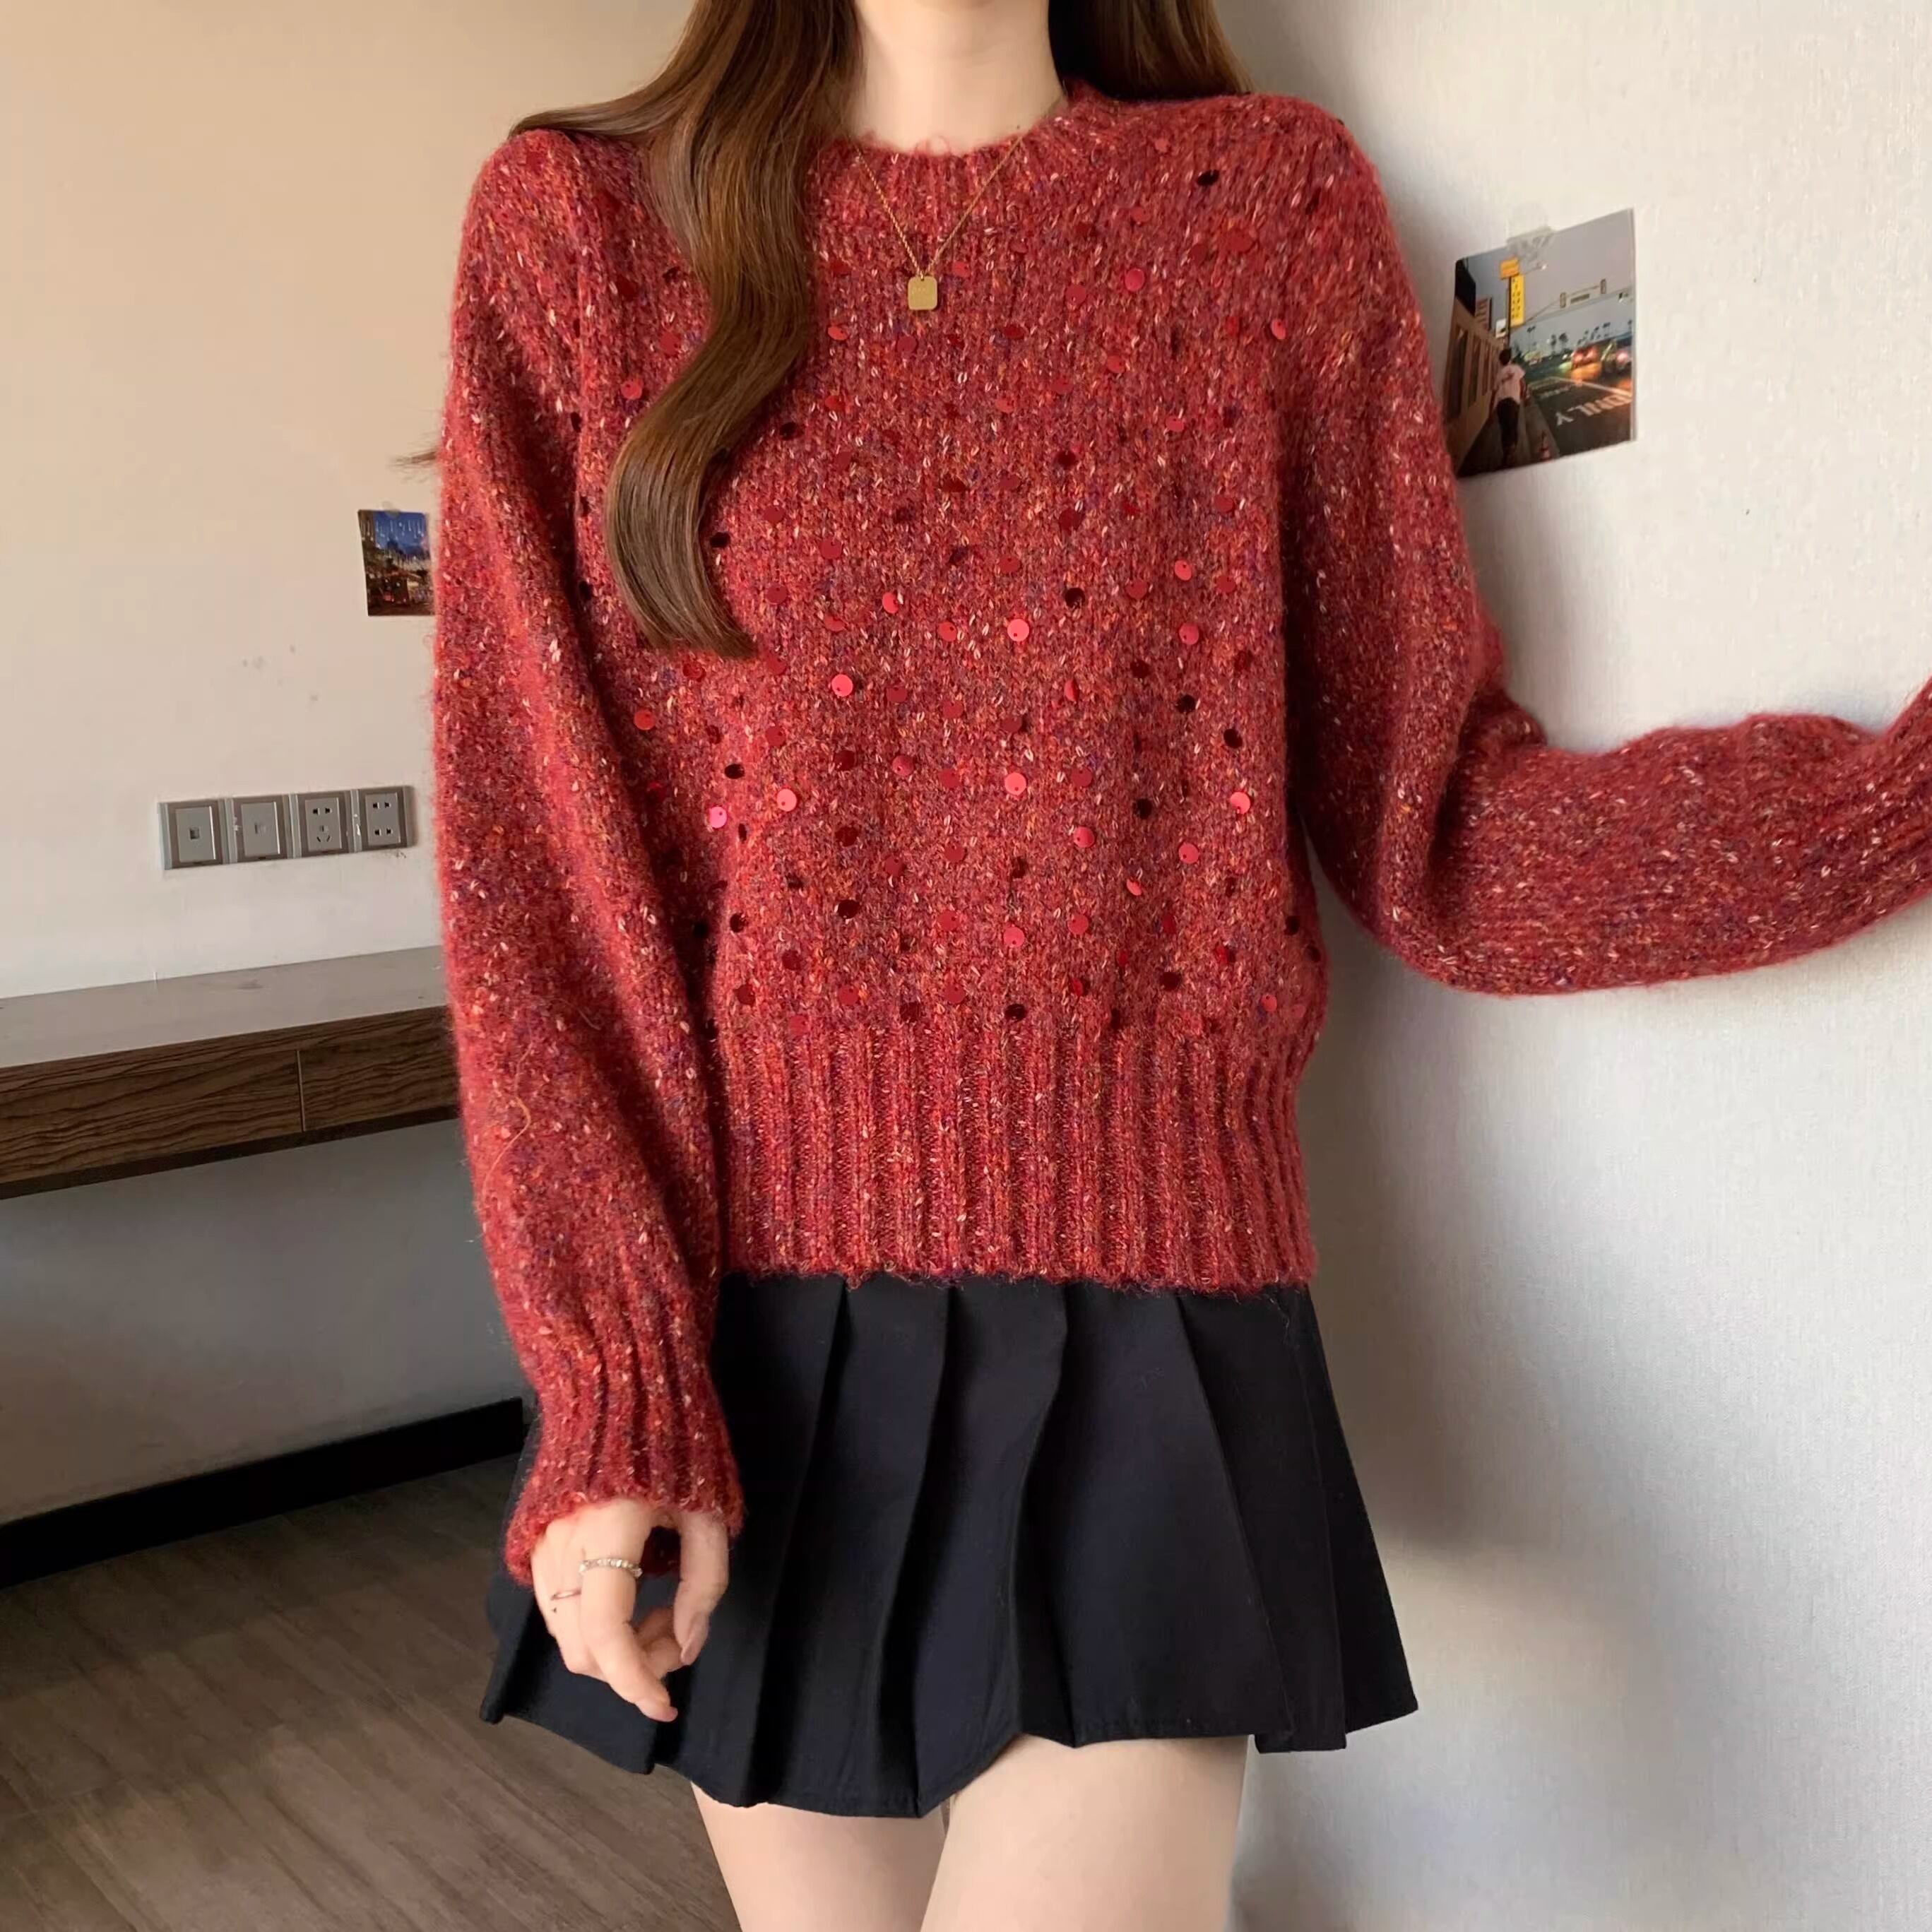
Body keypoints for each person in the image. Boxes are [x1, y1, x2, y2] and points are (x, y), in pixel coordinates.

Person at [428, 3, 1932, 1926]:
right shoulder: (579, 231)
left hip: (1149, 1323)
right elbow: (541, 897)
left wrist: (1894, 801)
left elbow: (1442, 838)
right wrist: (614, 1375)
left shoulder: (1259, 213)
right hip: (746, 1344)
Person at [1493, 343, 1527, 466]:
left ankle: (1506, 452)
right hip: (1513, 403)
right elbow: (1523, 383)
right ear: (1510, 359)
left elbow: (1494, 391)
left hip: (1501, 404)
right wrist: (1524, 396)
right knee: (1513, 426)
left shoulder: (1499, 374)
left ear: (1501, 361)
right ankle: (1512, 451)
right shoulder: (1516, 369)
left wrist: (1491, 409)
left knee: (1504, 429)